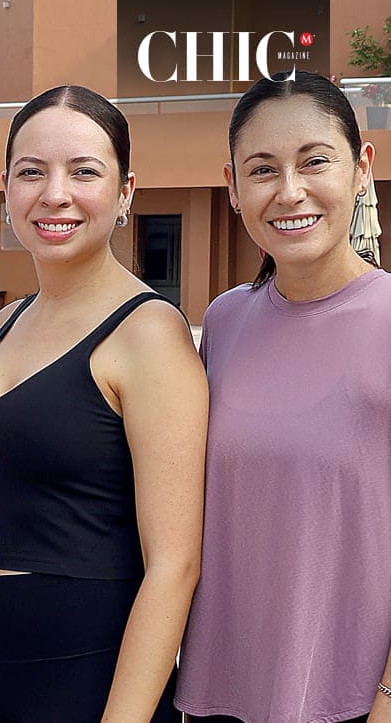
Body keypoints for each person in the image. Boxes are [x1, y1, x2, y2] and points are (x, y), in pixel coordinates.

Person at [0, 85, 207, 721]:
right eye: (31, 172)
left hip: (82, 674)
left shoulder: (149, 334)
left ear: (125, 192)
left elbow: (175, 565)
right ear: (6, 188)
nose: (54, 194)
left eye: (84, 172)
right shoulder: (9, 319)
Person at [176, 71, 391, 723]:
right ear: (234, 188)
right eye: (263, 169)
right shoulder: (224, 321)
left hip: (349, 701)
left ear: (361, 168)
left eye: (314, 161)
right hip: (219, 694)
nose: (289, 191)